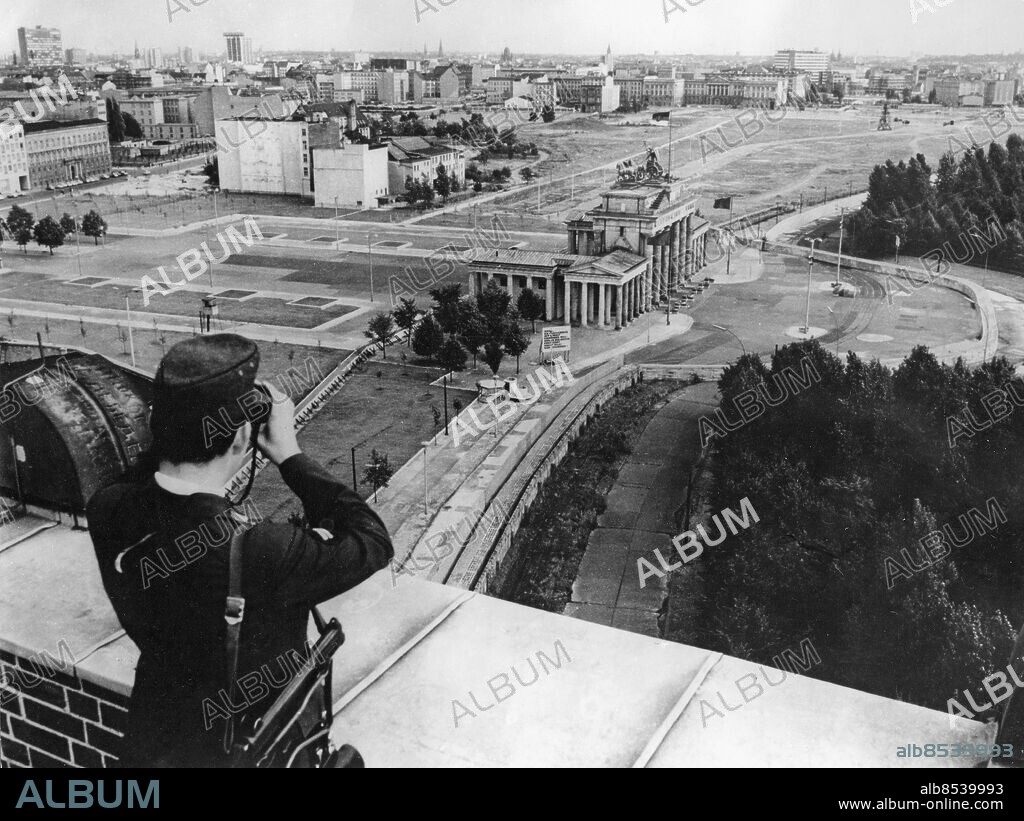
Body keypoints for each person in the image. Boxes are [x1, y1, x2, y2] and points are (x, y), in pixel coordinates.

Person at [88, 334, 394, 767]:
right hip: (251, 749)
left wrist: (186, 420)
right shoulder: (262, 550)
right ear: (239, 439)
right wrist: (290, 456)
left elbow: (151, 478)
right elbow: (373, 541)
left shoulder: (107, 509)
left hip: (156, 735)